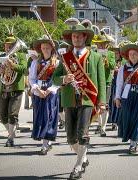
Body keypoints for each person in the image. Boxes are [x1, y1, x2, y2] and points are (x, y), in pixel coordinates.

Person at [52, 18, 106, 179]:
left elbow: (101, 81)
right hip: (69, 100)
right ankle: (83, 158)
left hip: (87, 99)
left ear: (85, 38)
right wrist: (64, 79)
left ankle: (77, 166)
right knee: (70, 137)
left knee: (83, 134)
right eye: (74, 36)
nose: (76, 39)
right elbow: (54, 78)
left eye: (79, 36)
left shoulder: (95, 57)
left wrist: (102, 102)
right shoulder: (65, 58)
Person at [0, 28, 27, 147]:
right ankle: (11, 132)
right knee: (2, 116)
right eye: (7, 46)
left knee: (12, 114)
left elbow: (25, 70)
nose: (9, 48)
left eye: (11, 45)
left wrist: (13, 65)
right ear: (4, 46)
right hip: (3, 90)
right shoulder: (0, 57)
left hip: (16, 90)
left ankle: (10, 138)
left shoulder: (20, 56)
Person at [115, 42, 138, 154]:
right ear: (127, 55)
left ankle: (134, 143)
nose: (132, 56)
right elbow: (119, 84)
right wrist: (117, 98)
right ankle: (131, 140)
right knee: (128, 117)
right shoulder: (123, 68)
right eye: (131, 54)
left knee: (137, 117)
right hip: (126, 96)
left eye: (135, 54)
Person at [29, 35, 60, 155]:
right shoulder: (35, 62)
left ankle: (45, 144)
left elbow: (58, 80)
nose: (45, 49)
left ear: (52, 49)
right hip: (38, 93)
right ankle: (45, 141)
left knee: (49, 117)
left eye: (48, 47)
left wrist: (49, 90)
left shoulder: (57, 63)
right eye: (43, 47)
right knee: (39, 117)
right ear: (40, 49)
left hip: (51, 93)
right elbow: (32, 79)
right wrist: (37, 90)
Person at [92, 32, 116, 137]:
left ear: (106, 44)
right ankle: (99, 124)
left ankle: (103, 128)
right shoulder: (93, 53)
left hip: (106, 81)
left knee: (105, 105)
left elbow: (113, 66)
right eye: (98, 44)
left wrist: (106, 61)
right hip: (95, 81)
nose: (100, 46)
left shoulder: (111, 54)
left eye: (102, 44)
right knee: (97, 104)